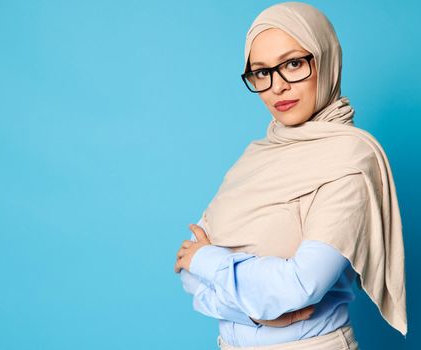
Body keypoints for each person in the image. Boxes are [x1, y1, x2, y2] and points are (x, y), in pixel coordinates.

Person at [174, 2, 407, 349]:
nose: (277, 86)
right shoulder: (255, 158)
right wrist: (257, 313)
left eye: (294, 63)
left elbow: (299, 287)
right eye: (261, 72)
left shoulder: (349, 160)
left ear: (324, 59)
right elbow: (188, 272)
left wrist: (210, 261)